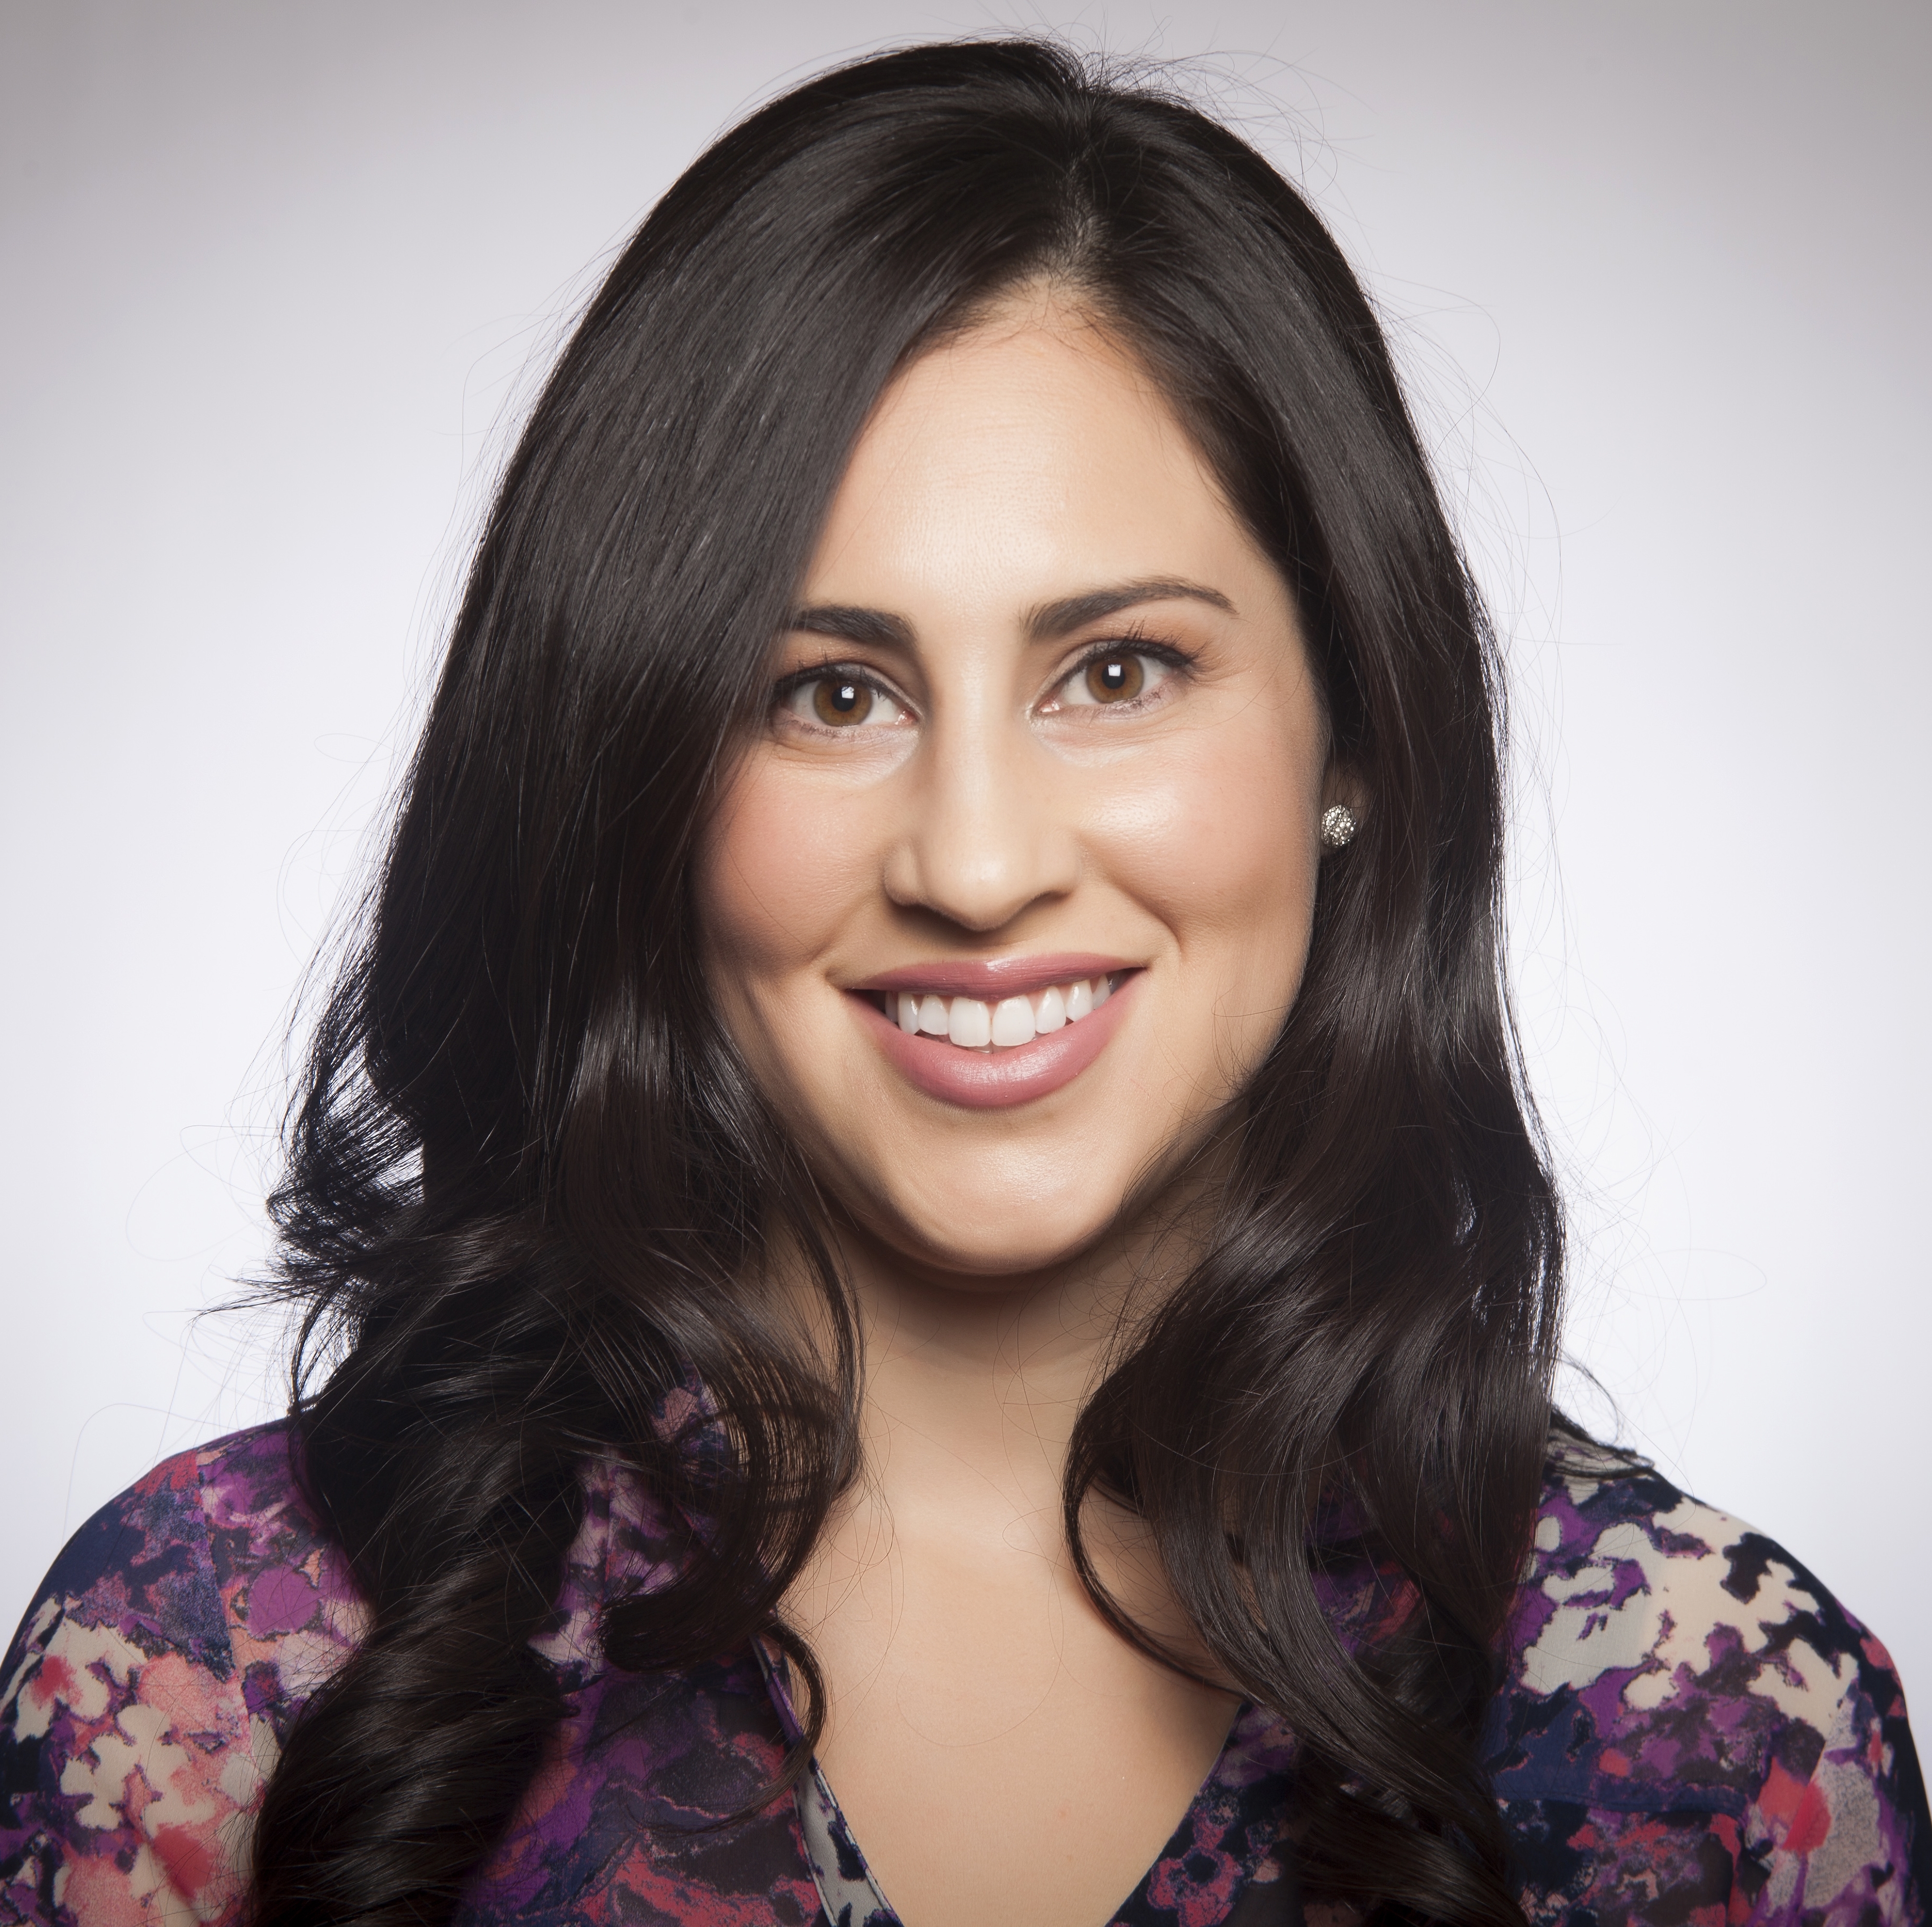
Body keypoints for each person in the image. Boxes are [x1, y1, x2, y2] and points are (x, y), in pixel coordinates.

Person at [0, 37, 1922, 1927]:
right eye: (829, 696)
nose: (980, 865)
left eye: (1119, 673)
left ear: (1358, 743)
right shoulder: (216, 1663)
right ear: (634, 776)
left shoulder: (1718, 1732)